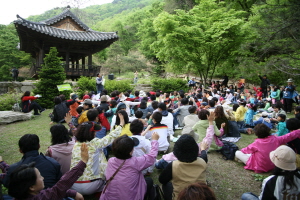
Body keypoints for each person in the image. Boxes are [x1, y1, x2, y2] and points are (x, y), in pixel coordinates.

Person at [7, 143, 88, 200]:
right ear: (31, 187)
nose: (42, 178)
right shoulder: (42, 198)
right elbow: (61, 185)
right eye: (39, 176)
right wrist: (83, 162)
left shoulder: (28, 195)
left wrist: (73, 193)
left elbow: (53, 190)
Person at [70, 113, 124, 195]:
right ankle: (100, 191)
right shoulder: (96, 143)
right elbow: (111, 136)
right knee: (100, 155)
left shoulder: (75, 143)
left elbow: (74, 131)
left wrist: (69, 123)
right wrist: (121, 124)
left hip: (73, 185)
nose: (95, 133)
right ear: (91, 133)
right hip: (91, 185)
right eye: (94, 132)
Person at [100, 133, 159, 200]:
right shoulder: (136, 162)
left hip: (109, 197)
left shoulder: (111, 161)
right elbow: (152, 157)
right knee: (149, 180)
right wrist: (154, 141)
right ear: (130, 152)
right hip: (131, 197)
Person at [235, 123, 300, 173]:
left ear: (257, 133)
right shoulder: (276, 139)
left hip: (259, 166)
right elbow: (289, 136)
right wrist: (298, 131)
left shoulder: (257, 143)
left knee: (237, 152)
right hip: (273, 164)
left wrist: (241, 151)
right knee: (251, 154)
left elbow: (245, 150)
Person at [159, 135, 208, 200]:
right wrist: (203, 149)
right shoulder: (202, 161)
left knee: (166, 185)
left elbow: (162, 180)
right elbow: (204, 156)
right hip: (200, 196)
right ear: (195, 150)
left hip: (180, 197)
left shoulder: (173, 165)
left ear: (176, 152)